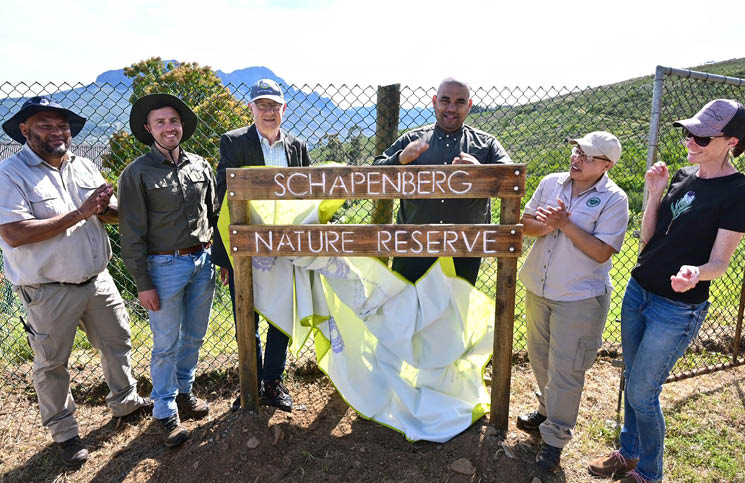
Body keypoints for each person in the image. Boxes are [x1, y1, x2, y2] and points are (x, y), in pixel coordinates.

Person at [589, 99, 745, 483]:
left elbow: (720, 263)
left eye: (702, 137)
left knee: (643, 392)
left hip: (676, 308)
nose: (690, 141)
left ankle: (649, 473)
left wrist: (696, 273)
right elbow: (648, 239)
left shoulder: (738, 191)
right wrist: (655, 192)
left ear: (732, 142)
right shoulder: (682, 175)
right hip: (639, 290)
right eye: (688, 133)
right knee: (632, 378)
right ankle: (628, 454)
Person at [0, 97, 151, 466]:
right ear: (25, 130)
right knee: (52, 364)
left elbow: (103, 214)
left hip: (98, 279)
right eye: (46, 125)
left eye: (62, 125)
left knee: (117, 342)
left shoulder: (83, 165)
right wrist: (82, 212)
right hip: (48, 289)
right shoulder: (10, 174)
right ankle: (65, 433)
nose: (57, 132)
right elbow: (15, 233)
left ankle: (125, 402)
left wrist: (121, 209)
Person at [517, 132, 629, 473]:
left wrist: (564, 224)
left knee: (566, 370)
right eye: (577, 150)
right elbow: (525, 224)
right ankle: (546, 411)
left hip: (579, 297)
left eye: (588, 155)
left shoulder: (614, 199)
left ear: (607, 165)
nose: (577, 157)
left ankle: (554, 441)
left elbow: (602, 251)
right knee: (540, 359)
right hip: (539, 287)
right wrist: (547, 226)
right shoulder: (551, 183)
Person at [118, 94, 219, 448]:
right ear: (149, 129)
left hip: (202, 262)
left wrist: (220, 259)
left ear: (182, 125)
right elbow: (131, 234)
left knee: (194, 336)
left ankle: (184, 391)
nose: (168, 128)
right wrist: (142, 283)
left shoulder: (200, 166)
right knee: (165, 343)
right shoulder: (136, 173)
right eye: (159, 122)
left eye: (173, 120)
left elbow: (214, 215)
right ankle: (164, 409)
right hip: (163, 267)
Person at [212, 78, 310, 412]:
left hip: (286, 249)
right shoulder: (233, 142)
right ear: (251, 108)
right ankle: (250, 383)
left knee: (281, 317)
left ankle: (273, 382)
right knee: (246, 317)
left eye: (274, 106)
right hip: (246, 248)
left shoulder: (297, 147)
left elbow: (309, 196)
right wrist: (226, 254)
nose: (269, 112)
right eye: (262, 105)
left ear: (285, 109)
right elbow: (223, 195)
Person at [372, 77, 511, 285]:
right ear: (434, 102)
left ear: (469, 105)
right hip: (413, 249)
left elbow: (513, 178)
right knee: (407, 305)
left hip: (464, 250)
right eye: (445, 100)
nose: (452, 108)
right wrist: (399, 159)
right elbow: (374, 171)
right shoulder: (412, 140)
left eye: (460, 102)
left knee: (455, 305)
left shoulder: (487, 144)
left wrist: (482, 172)